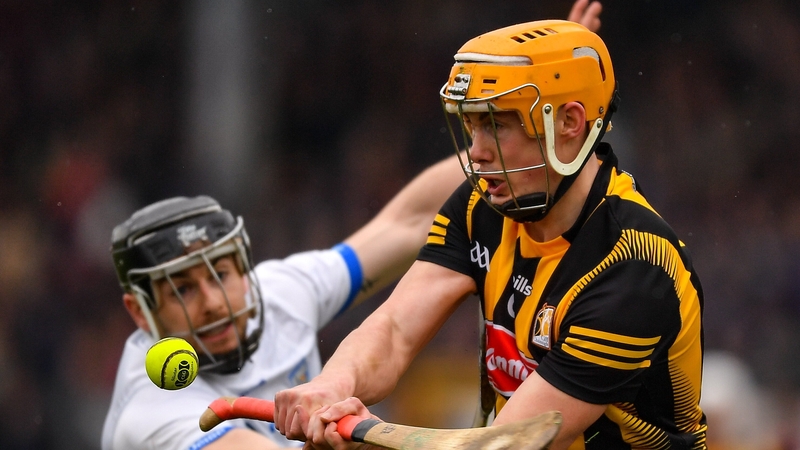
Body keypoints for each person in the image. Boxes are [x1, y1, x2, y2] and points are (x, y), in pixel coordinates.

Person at [100, 2, 604, 449]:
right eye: (182, 290)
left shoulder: (279, 295)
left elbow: (405, 222)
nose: (212, 300)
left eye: (221, 274)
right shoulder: (154, 408)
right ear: (140, 313)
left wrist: (539, 125)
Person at [274, 13, 707, 450]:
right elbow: (395, 329)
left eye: (496, 125)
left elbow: (509, 444)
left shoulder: (633, 266)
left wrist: (364, 437)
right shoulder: (483, 205)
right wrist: (332, 387)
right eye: (471, 125)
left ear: (570, 123)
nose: (477, 153)